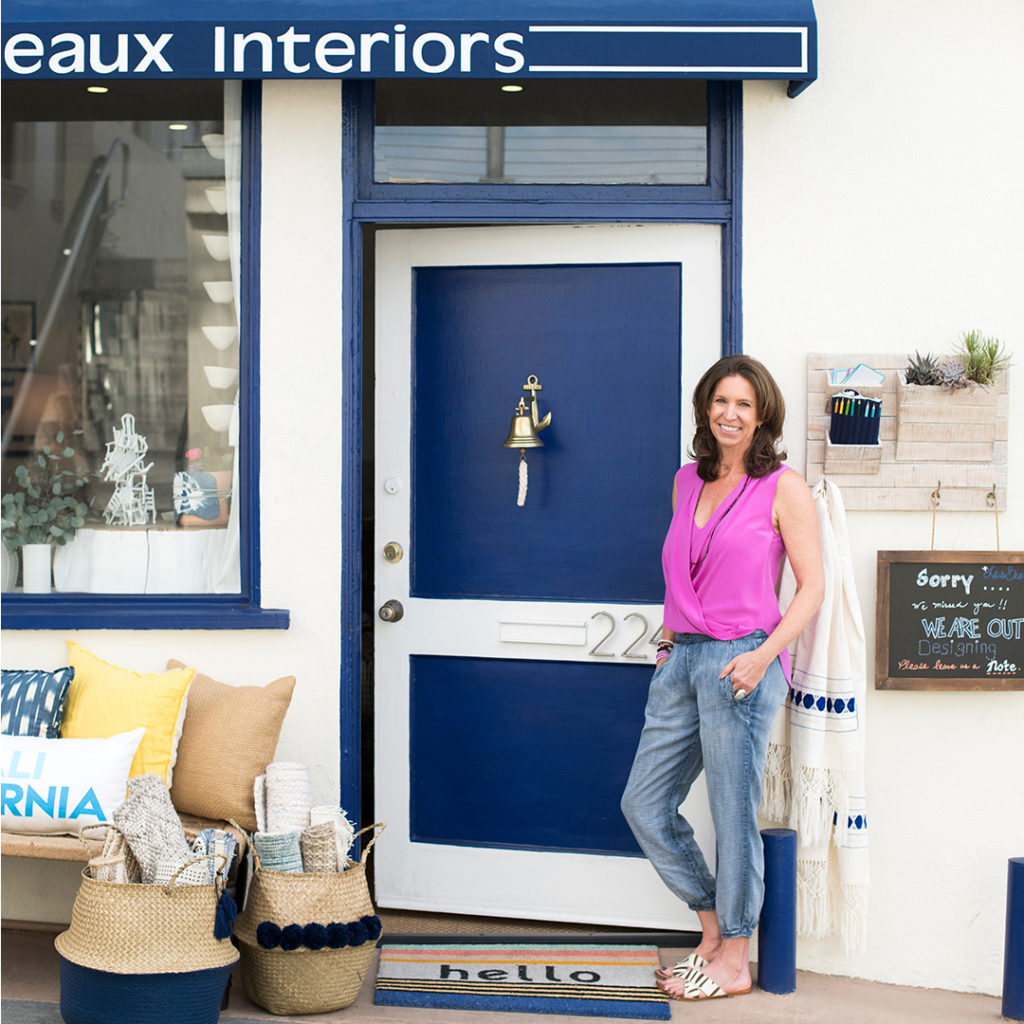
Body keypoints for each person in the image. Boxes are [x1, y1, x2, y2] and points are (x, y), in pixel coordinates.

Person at [620, 354, 824, 1001]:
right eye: (720, 401)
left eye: (743, 404)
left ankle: (735, 958)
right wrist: (668, 641)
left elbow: (813, 587)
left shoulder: (782, 487)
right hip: (681, 660)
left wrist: (765, 657)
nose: (730, 413)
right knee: (644, 804)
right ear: (705, 409)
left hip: (743, 660)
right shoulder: (687, 481)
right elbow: (683, 568)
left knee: (732, 815)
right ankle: (713, 930)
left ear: (762, 414)